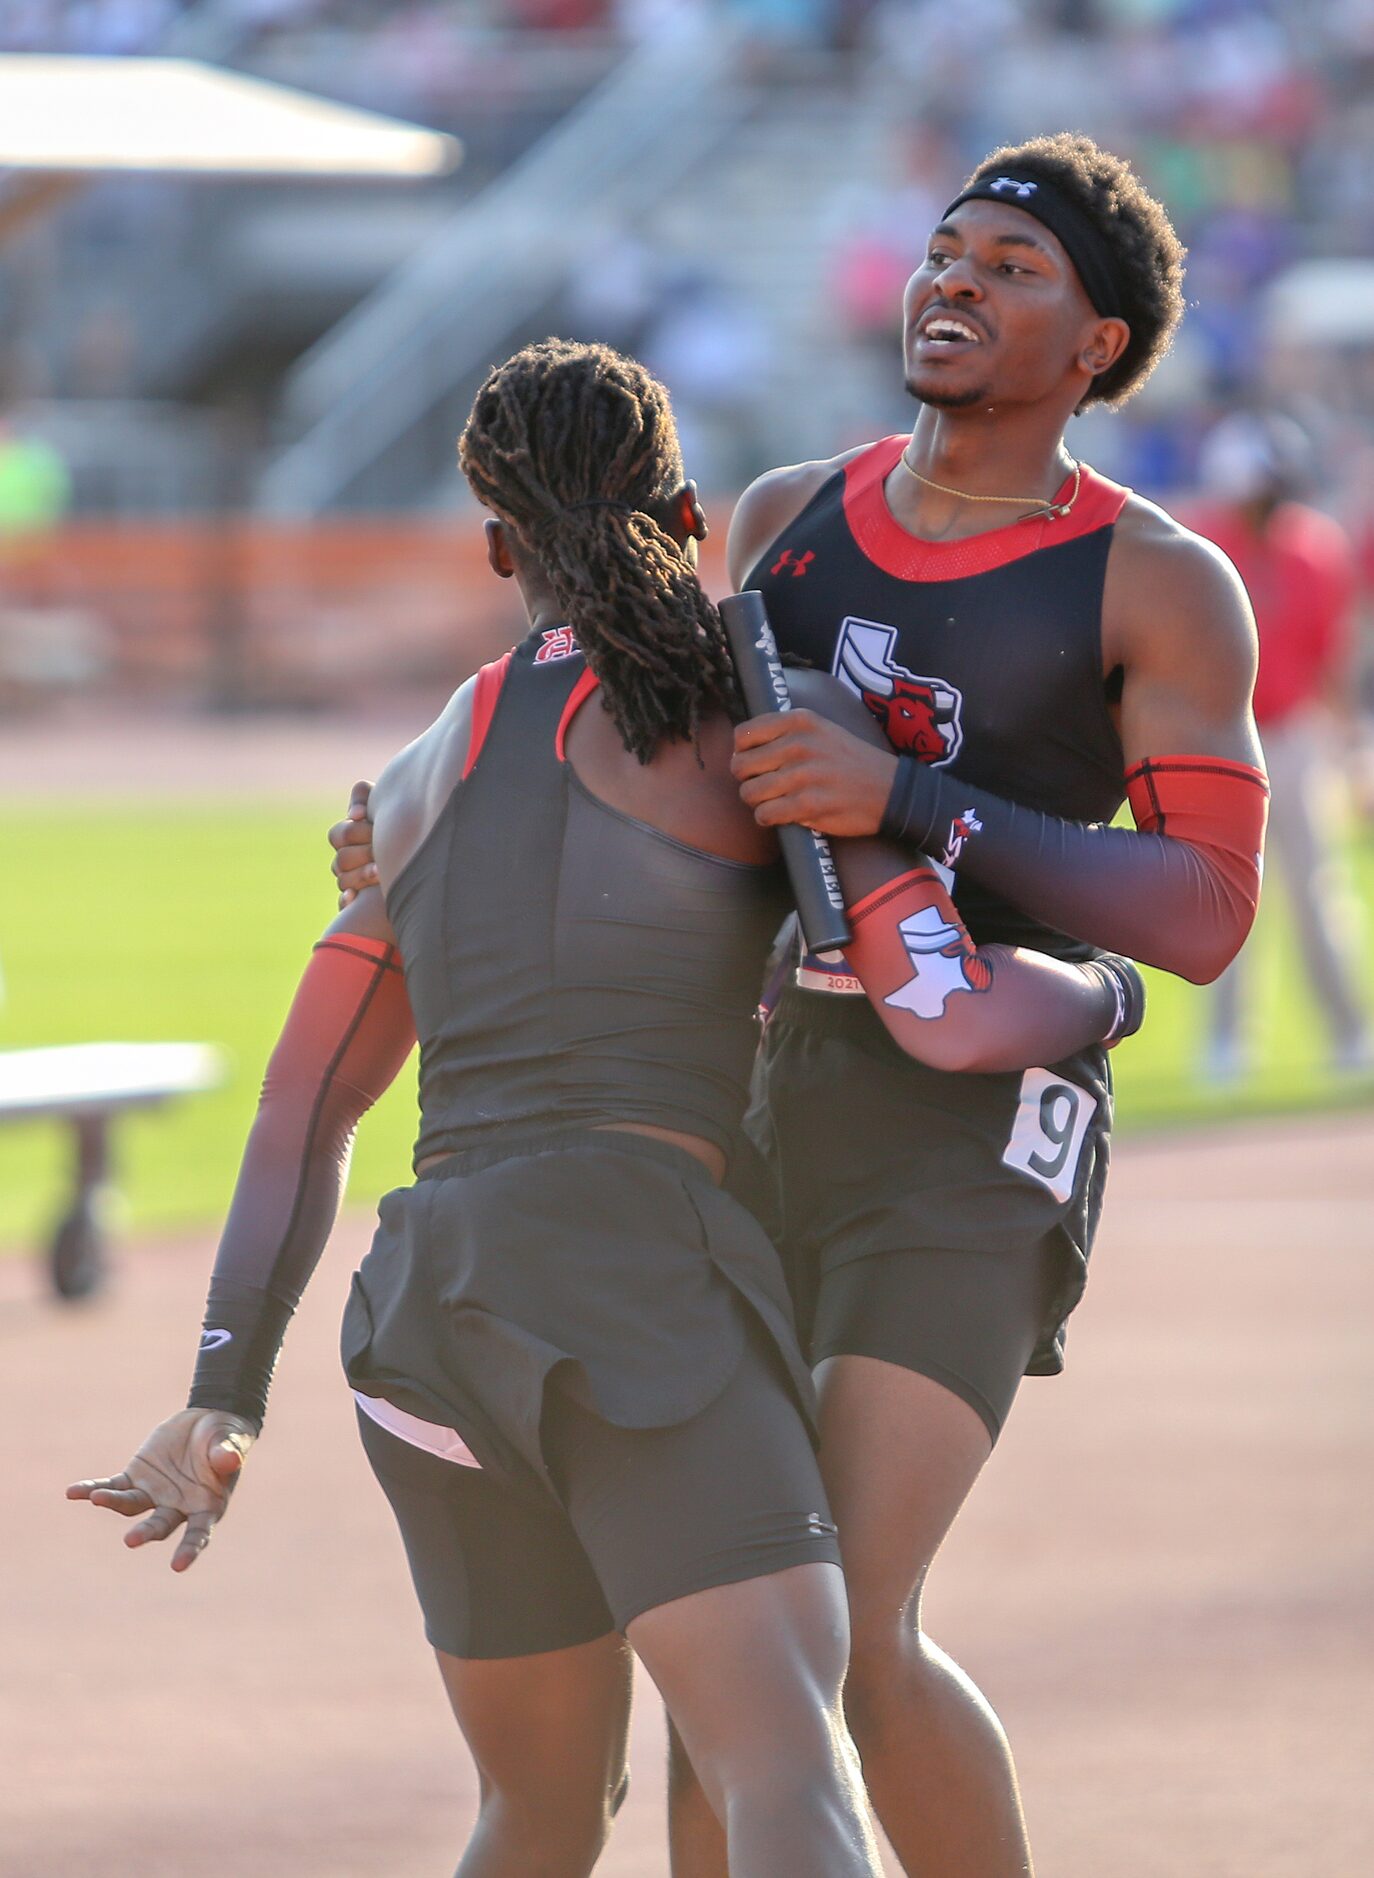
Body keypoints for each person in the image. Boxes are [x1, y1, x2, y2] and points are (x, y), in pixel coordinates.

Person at [69, 340, 1141, 1878]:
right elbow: (943, 1009)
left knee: (538, 1815)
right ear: (693, 514)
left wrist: (224, 1390)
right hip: (633, 1279)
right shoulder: (747, 707)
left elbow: (305, 1102)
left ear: (495, 542)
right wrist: (1110, 991)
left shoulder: (413, 773)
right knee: (785, 1766)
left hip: (421, 1313)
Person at [332, 138, 1271, 1878]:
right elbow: (668, 760)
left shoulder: (1150, 578)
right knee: (739, 1629)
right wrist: (424, 830)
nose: (956, 282)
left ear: (1096, 344)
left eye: (1012, 268)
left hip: (972, 1105)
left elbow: (1204, 912)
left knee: (835, 1603)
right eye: (943, 249)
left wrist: (909, 800)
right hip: (760, 1095)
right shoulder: (782, 519)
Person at [1189, 411, 1370, 1079]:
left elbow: (1335, 658)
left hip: (1293, 736)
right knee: (1228, 900)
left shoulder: (1314, 548)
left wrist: (1346, 744)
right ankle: (1226, 1044)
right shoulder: (1205, 545)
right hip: (1223, 738)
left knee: (1317, 893)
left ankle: (1349, 1033)